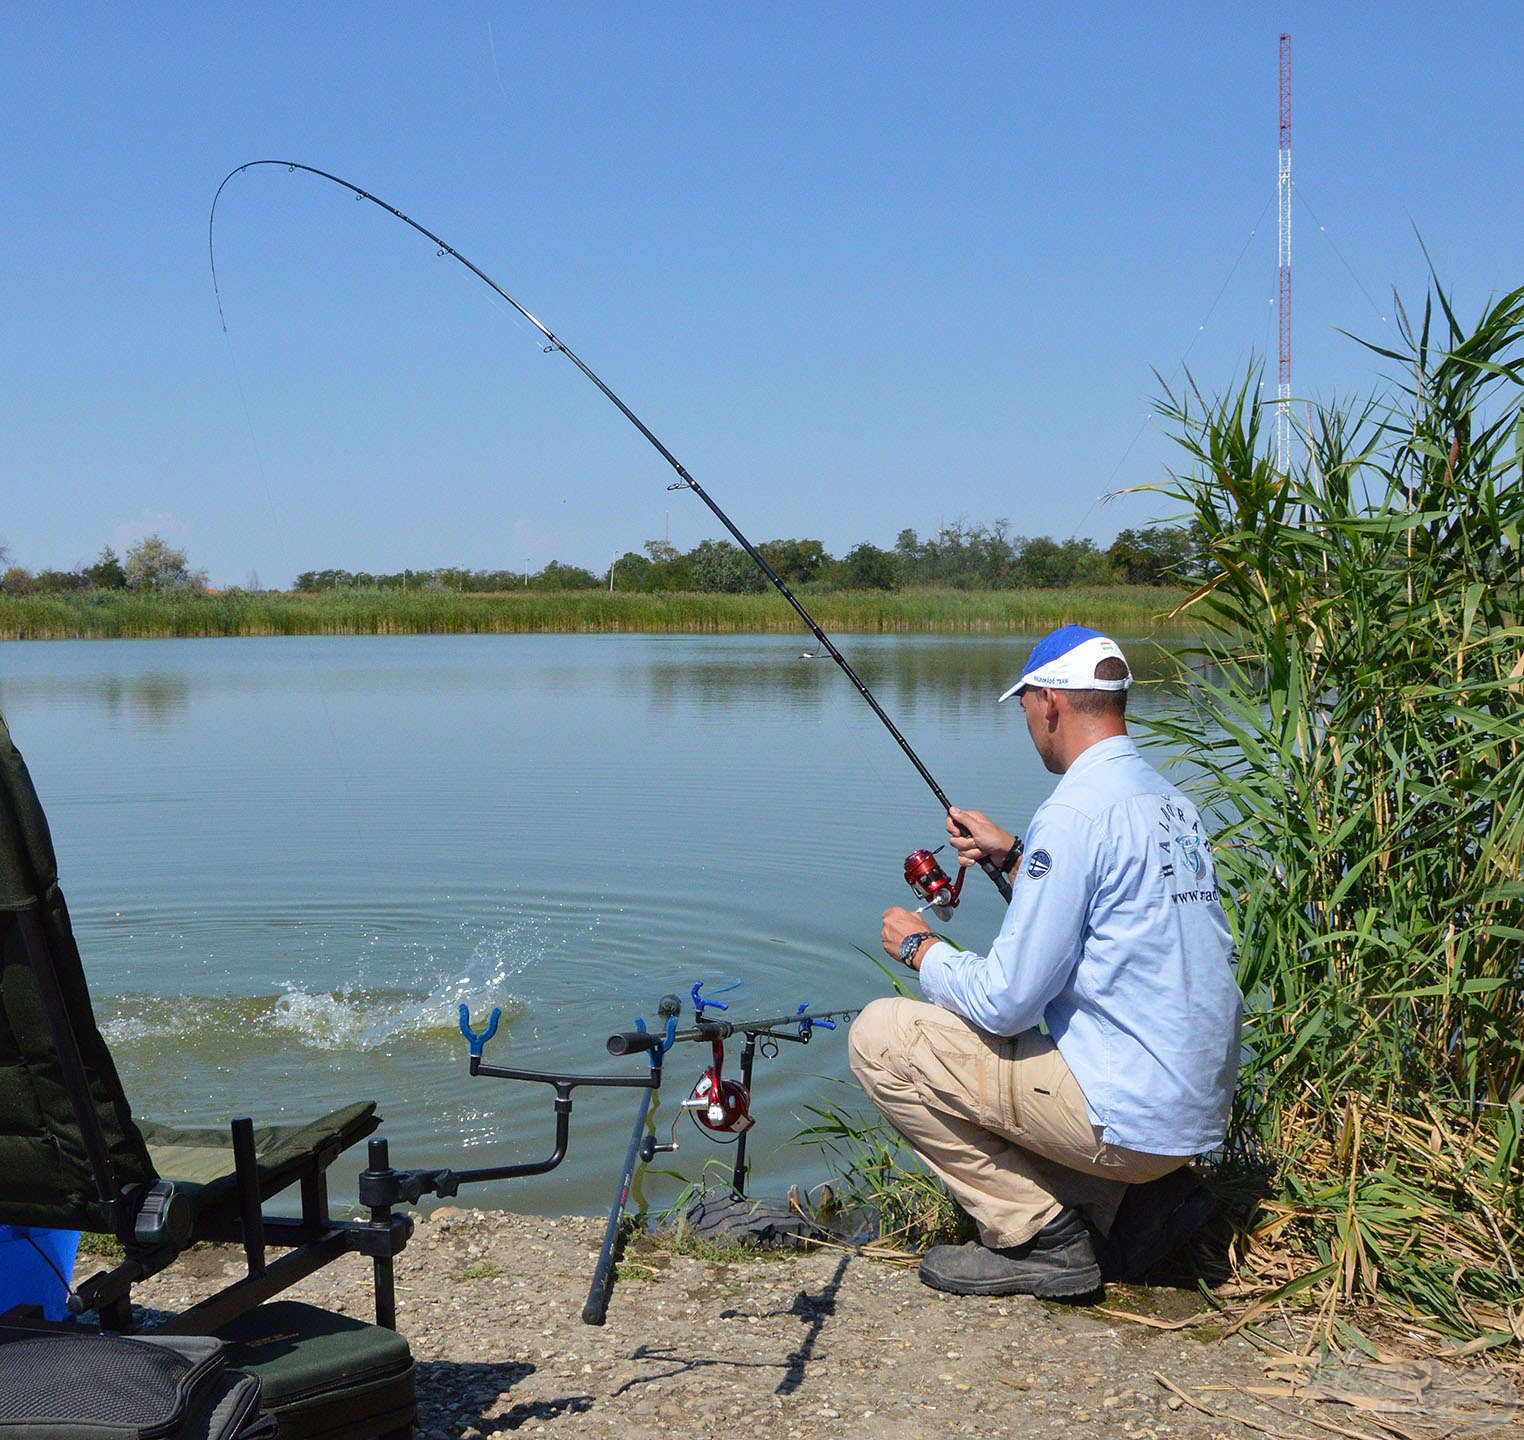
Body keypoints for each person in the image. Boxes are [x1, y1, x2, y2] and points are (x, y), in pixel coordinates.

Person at [849, 624, 1242, 1297]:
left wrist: (923, 948)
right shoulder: (1171, 804)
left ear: (1051, 704)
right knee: (1027, 1037)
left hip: (1131, 1121)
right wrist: (1015, 855)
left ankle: (1038, 1239)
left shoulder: (1075, 814)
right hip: (1192, 1118)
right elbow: (1113, 897)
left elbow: (1007, 1002)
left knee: (880, 1037)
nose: (1028, 722)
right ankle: (1134, 1206)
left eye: (1026, 705)